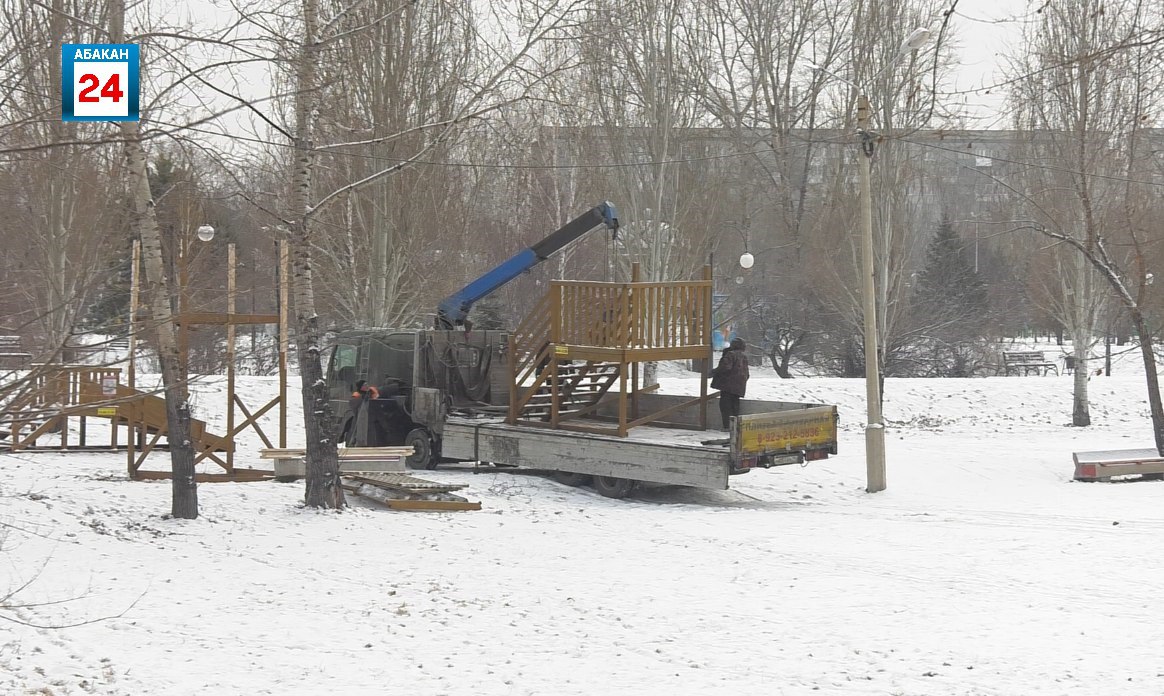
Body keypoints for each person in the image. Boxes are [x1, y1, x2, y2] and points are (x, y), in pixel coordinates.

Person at [711, 337, 749, 430]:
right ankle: (735, 427)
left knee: (725, 407)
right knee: (735, 406)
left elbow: (725, 367)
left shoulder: (730, 354)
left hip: (727, 385)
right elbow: (747, 373)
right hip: (739, 387)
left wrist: (713, 372)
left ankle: (727, 427)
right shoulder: (743, 356)